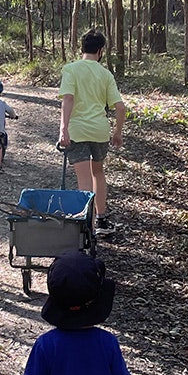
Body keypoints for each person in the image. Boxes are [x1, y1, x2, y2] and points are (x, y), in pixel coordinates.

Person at [57, 29, 127, 234]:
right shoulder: (105, 74)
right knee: (98, 172)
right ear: (101, 50)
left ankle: (85, 224)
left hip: (77, 130)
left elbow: (68, 99)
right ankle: (102, 220)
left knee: (83, 177)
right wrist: (117, 133)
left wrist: (63, 129)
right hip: (99, 131)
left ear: (82, 48)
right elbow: (120, 107)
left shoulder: (70, 69)